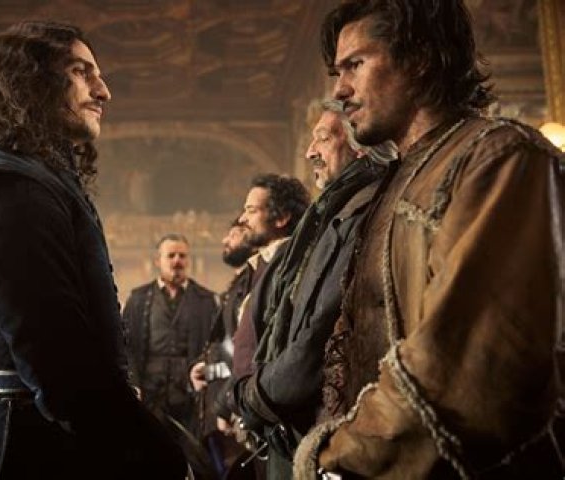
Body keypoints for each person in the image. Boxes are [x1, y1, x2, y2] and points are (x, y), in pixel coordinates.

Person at [294, 1, 565, 478]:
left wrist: (333, 459)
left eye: (356, 64)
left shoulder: (499, 158)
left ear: (419, 57)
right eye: (338, 72)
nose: (340, 90)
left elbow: (466, 376)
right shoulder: (398, 178)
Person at [0, 21, 186, 479]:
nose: (103, 91)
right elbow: (61, 368)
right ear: (29, 81)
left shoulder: (35, 180)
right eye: (81, 72)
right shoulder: (3, 187)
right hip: (30, 451)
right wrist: (157, 454)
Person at [229, 100, 394, 480]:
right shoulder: (330, 213)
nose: (310, 152)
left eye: (323, 137)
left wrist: (256, 397)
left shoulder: (363, 212)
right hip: (291, 427)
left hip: (317, 431)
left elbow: (320, 332)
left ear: (359, 145)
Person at [214, 174, 310, 478]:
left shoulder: (293, 266)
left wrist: (247, 403)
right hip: (259, 416)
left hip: (279, 420)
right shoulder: (263, 265)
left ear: (281, 218)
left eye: (251, 210)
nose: (242, 219)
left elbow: (281, 350)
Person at [123, 233, 218, 435]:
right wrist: (133, 385)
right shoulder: (138, 300)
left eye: (182, 256)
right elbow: (125, 347)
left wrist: (206, 376)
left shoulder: (207, 301)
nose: (177, 261)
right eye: (171, 255)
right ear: (158, 261)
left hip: (191, 400)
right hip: (148, 398)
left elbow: (222, 350)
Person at [190, 220, 256, 477]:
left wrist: (225, 406)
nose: (224, 240)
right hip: (220, 407)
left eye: (234, 234)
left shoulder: (253, 282)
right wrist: (205, 370)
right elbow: (228, 349)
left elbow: (246, 354)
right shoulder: (239, 283)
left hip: (232, 411)